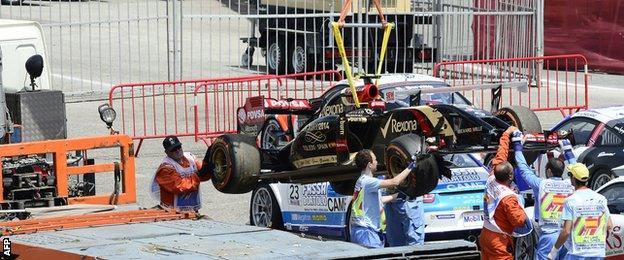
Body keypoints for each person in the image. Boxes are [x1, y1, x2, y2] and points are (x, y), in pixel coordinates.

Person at [512, 130, 574, 260]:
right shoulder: (571, 185)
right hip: (567, 237)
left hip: (549, 237)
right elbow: (578, 171)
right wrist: (568, 151)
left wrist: (517, 146)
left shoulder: (541, 184)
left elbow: (523, 169)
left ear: (549, 171)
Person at [479, 126, 530, 260]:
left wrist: (506, 134)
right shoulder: (508, 197)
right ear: (510, 177)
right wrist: (520, 200)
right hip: (499, 240)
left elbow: (501, 154)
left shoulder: (492, 177)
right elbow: (519, 220)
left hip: (485, 234)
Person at [349, 149, 416, 248]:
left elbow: (377, 201)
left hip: (361, 231)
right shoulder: (368, 181)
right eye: (375, 160)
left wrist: (397, 196)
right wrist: (411, 167)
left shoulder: (361, 181)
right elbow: (394, 182)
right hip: (367, 233)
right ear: (369, 165)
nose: (377, 162)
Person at [548, 163, 613, 260]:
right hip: (598, 253)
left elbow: (566, 231)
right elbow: (609, 225)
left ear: (573, 179)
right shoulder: (601, 199)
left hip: (578, 253)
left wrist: (553, 252)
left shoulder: (571, 201)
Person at [150, 136, 212, 211]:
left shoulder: (190, 158)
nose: (177, 150)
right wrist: (198, 175)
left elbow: (204, 172)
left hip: (191, 211)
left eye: (178, 147)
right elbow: (180, 186)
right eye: (173, 149)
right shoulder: (165, 169)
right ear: (167, 152)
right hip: (171, 213)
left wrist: (212, 153)